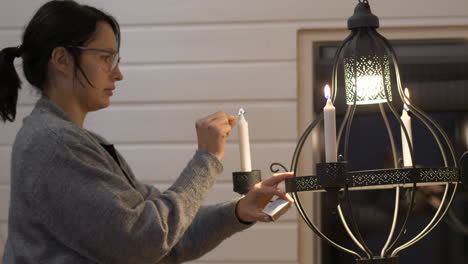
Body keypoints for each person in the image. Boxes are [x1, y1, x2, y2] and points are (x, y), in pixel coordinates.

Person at [0, 1, 294, 263]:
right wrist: (206, 159)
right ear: (62, 59)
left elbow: (171, 236)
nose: (117, 74)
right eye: (106, 58)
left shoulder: (82, 143)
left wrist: (239, 211)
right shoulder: (54, 144)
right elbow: (145, 241)